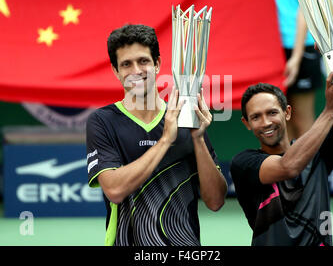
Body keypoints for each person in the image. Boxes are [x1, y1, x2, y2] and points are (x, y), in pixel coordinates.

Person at [230, 25, 333, 245]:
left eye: (272, 113)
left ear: (287, 113)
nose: (266, 122)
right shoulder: (244, 163)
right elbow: (288, 167)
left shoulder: (317, 150)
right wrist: (329, 112)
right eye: (256, 117)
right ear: (247, 124)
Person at [86, 24, 227, 246]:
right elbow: (114, 190)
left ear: (158, 64)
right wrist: (165, 141)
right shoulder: (103, 121)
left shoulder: (187, 117)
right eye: (126, 64)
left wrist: (198, 139)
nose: (136, 71)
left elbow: (216, 201)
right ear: (115, 71)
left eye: (143, 61)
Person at [271, 0, 327, 139]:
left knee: (302, 121)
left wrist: (296, 57)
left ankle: (312, 170)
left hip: (302, 46)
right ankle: (286, 169)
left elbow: (306, 9)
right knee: (280, 121)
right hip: (273, 46)